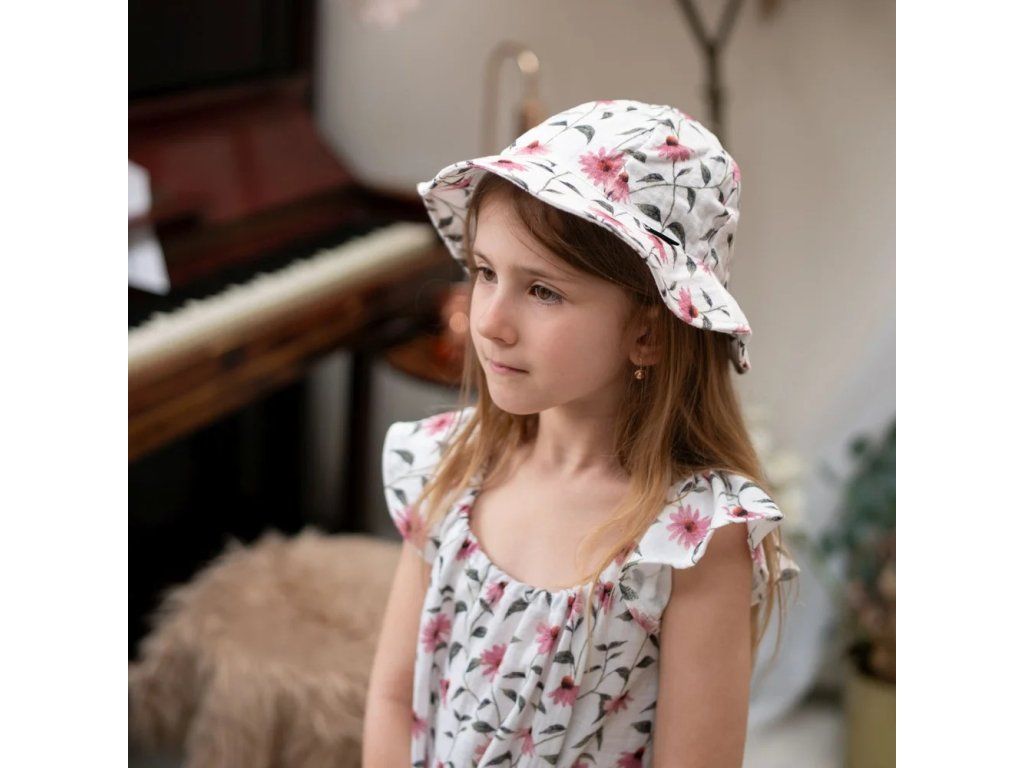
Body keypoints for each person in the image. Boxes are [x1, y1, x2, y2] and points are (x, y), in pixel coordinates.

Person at [363, 99, 800, 768]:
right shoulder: (452, 466)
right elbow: (395, 699)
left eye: (542, 291)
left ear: (649, 332)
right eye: (485, 273)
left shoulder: (690, 541)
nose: (490, 322)